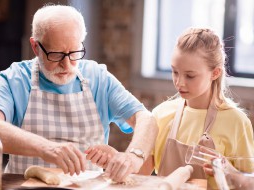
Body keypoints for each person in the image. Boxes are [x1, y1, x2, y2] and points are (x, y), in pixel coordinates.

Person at [0, 4, 158, 176]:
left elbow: (146, 119)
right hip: (23, 186)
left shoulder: (98, 78)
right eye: (56, 55)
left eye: (74, 53)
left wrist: (133, 157)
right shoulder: (16, 78)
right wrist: (47, 148)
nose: (67, 65)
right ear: (35, 46)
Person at [86, 27, 254, 187]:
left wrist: (229, 172)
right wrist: (115, 159)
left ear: (215, 73)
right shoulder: (161, 114)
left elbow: (249, 184)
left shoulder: (236, 122)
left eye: (190, 76)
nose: (179, 82)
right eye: (175, 72)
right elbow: (139, 176)